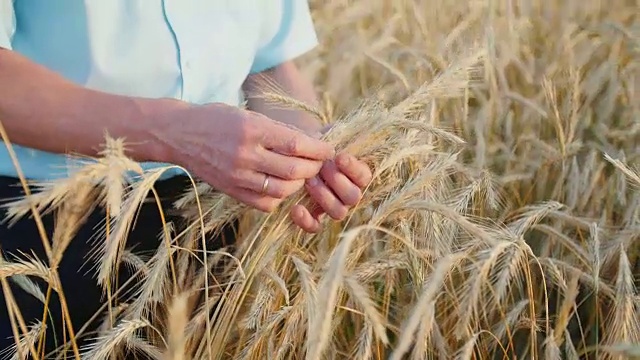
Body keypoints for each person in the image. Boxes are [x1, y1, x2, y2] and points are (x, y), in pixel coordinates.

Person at [0, 1, 373, 357]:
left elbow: (269, 65)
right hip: (41, 222)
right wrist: (176, 133)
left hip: (212, 213)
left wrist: (310, 153)